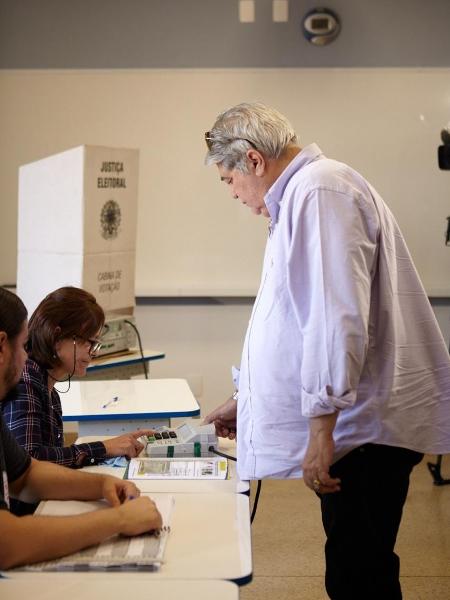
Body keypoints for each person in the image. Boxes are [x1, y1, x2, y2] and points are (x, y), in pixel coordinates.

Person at [203, 102, 450, 600]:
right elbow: (294, 321)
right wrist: (245, 395)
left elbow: (336, 320)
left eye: (228, 180)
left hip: (360, 434)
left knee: (358, 574)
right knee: (356, 564)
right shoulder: (305, 194)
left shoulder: (320, 191)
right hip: (354, 428)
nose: (232, 194)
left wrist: (322, 429)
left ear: (253, 161)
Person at [0, 287, 161, 570]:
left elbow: (26, 471)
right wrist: (120, 520)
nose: (26, 358)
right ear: (2, 346)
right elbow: (7, 544)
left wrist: (101, 484)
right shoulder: (26, 384)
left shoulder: (43, 388)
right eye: (22, 345)